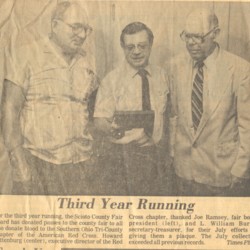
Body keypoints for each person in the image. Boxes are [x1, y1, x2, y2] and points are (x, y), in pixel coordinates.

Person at [1, 1, 99, 195]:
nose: (82, 35)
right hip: (39, 163)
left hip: (80, 163)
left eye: (86, 29)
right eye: (75, 26)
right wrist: (19, 161)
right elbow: (9, 110)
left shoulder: (87, 60)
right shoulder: (25, 55)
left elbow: (92, 109)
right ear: (55, 25)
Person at [168, 9, 250, 196]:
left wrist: (241, 169)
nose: (191, 43)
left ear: (215, 33)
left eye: (198, 37)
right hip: (183, 171)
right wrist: (173, 154)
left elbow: (247, 126)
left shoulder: (240, 70)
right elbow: (174, 114)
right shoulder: (176, 66)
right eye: (187, 36)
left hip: (221, 172)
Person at [94, 22, 169, 195]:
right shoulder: (111, 80)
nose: (136, 52)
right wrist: (114, 129)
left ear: (151, 45)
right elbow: (99, 121)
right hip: (123, 159)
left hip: (156, 158)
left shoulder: (162, 76)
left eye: (142, 46)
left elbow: (168, 116)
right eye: (130, 47)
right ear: (122, 47)